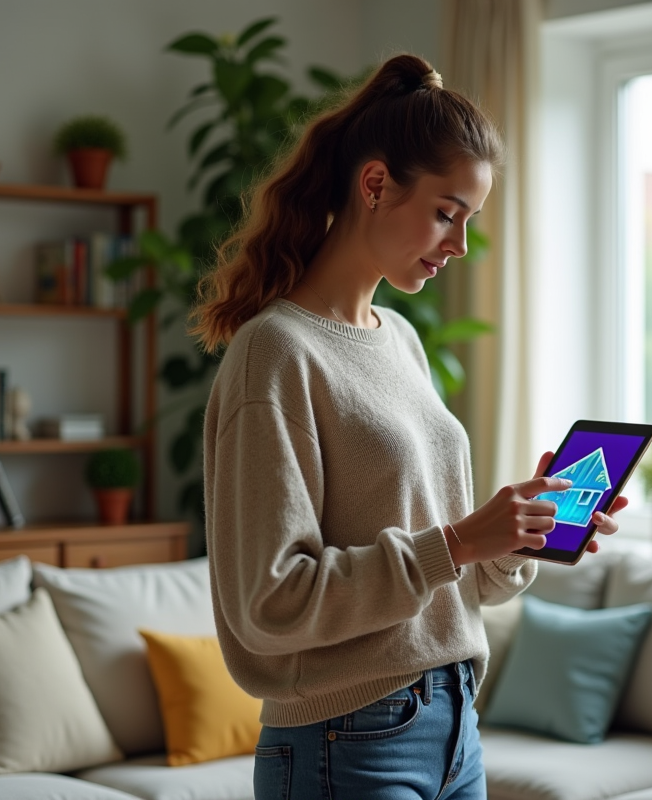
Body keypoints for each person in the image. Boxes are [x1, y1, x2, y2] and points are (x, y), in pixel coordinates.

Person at [190, 54, 628, 800]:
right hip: (344, 742)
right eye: (446, 212)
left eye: (470, 221)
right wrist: (457, 542)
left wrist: (514, 535)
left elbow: (448, 579)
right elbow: (270, 604)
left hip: (454, 725)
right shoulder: (275, 353)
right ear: (374, 185)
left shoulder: (399, 338)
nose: (458, 244)